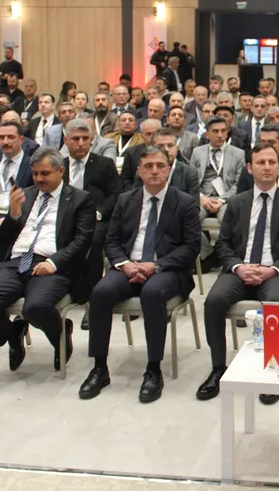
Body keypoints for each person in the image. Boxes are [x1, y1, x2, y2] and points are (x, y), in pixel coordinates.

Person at [78, 146, 199, 402]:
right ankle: (99, 367)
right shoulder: (125, 200)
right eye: (148, 166)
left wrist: (155, 266)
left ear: (169, 170)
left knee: (152, 293)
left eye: (160, 166)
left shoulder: (185, 202)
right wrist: (125, 264)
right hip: (129, 266)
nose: (154, 171)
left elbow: (191, 247)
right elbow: (111, 241)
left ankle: (153, 368)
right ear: (139, 172)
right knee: (100, 293)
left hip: (166, 269)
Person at [196, 142, 279, 403]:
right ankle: (217, 368)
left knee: (275, 303)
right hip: (240, 270)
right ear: (249, 168)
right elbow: (223, 244)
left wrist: (273, 269)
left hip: (275, 272)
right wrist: (239, 267)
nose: (266, 167)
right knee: (213, 301)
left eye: (272, 162)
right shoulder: (237, 203)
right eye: (260, 162)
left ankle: (273, 367)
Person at [0, 148, 94, 372]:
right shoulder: (26, 195)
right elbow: (3, 239)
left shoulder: (80, 199)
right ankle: (13, 334)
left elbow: (82, 241)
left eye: (45, 173)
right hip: (18, 261)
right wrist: (13, 215)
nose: (39, 179)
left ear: (61, 171)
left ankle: (60, 336)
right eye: (35, 173)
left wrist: (53, 263)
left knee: (35, 307)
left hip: (51, 263)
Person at [62, 120, 122, 310]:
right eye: (75, 139)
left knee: (93, 240)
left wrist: (100, 212)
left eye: (85, 139)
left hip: (96, 217)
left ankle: (91, 297)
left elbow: (116, 194)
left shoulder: (104, 164)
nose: (80, 143)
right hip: (63, 217)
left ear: (91, 140)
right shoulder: (59, 166)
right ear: (65, 141)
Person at [192, 117, 246, 268]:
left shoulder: (238, 153)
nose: (220, 135)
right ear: (207, 134)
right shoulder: (197, 152)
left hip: (226, 198)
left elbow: (238, 183)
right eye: (215, 131)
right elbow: (191, 180)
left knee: (227, 220)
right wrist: (201, 198)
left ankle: (227, 256)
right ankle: (209, 253)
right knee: (190, 218)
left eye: (223, 131)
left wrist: (222, 200)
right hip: (203, 197)